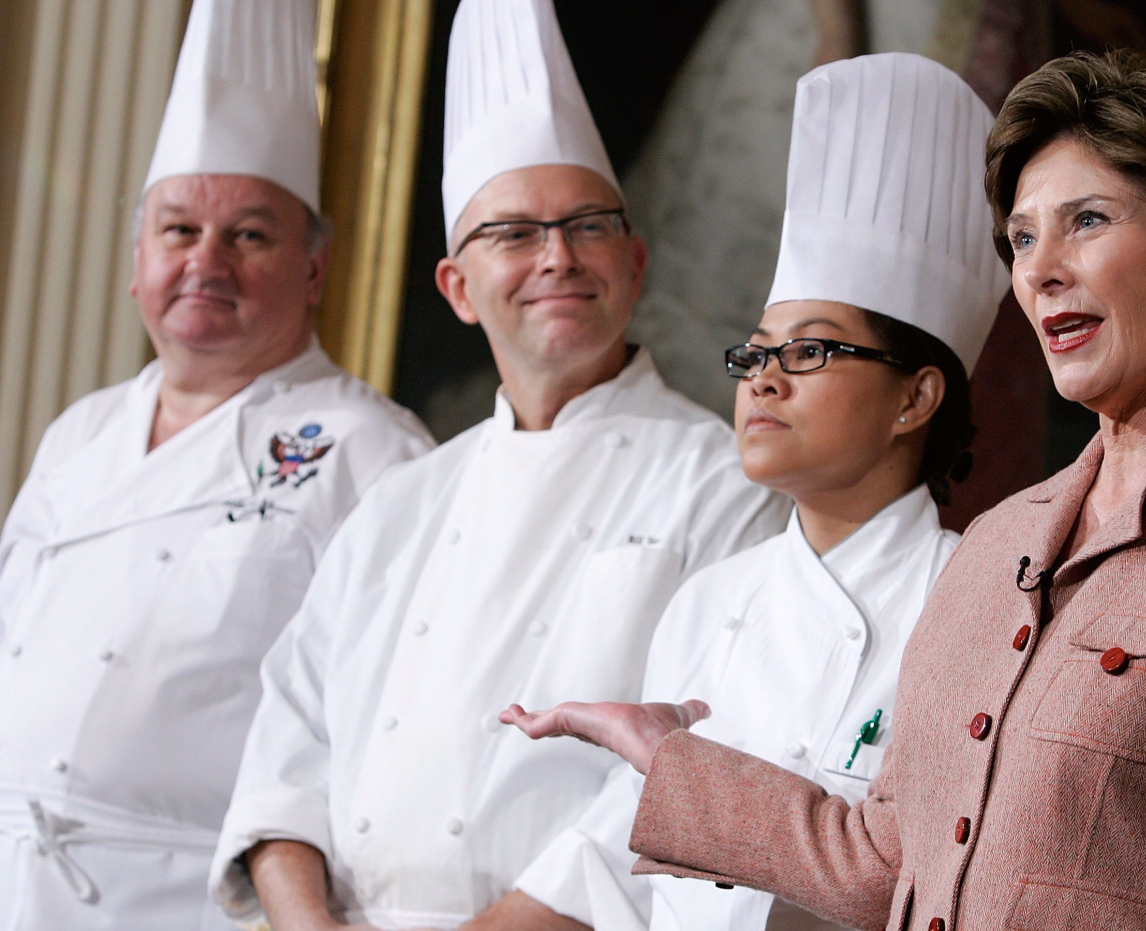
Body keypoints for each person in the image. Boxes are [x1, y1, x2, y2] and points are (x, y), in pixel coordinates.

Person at [503, 49, 1146, 931]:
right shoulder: (1004, 543)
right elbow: (886, 860)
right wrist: (671, 757)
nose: (1041, 270)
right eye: (1022, 237)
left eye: (1086, 220)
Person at [208, 2, 788, 928]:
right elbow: (287, 752)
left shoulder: (723, 488)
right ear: (457, 289)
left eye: (587, 227)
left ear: (635, 262)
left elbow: (696, 769)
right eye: (514, 234)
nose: (557, 257)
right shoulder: (403, 500)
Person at [494, 53, 1008, 931]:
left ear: (916, 397)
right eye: (754, 352)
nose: (762, 380)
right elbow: (629, 881)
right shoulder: (711, 601)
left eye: (809, 351)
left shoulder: (975, 604)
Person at [0, 2, 434, 929]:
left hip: (194, 899)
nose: (207, 262)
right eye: (178, 231)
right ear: (135, 262)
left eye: (249, 234)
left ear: (314, 271)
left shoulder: (373, 451)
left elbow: (394, 729)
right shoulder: (78, 432)